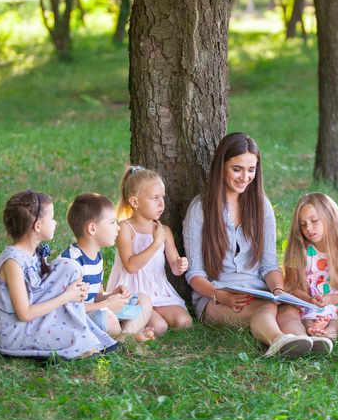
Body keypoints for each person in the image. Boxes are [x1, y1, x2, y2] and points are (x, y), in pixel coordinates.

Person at [183, 132, 314, 357]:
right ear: (221, 166)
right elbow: (194, 273)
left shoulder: (262, 206)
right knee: (266, 309)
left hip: (259, 291)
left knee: (287, 309)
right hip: (217, 295)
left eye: (251, 169)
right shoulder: (200, 209)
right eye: (237, 169)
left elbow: (269, 265)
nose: (245, 177)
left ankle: (304, 342)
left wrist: (278, 290)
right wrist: (219, 295)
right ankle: (279, 341)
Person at [0, 190, 117, 360]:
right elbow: (25, 314)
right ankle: (75, 338)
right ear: (37, 226)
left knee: (70, 266)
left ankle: (76, 333)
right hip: (17, 332)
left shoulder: (33, 253)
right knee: (83, 345)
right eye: (51, 219)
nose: (55, 222)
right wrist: (67, 296)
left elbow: (42, 291)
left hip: (35, 321)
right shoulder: (13, 263)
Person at [107, 167, 193, 335]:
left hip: (158, 291)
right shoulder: (125, 228)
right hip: (133, 292)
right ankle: (131, 328)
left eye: (162, 197)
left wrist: (180, 264)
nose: (161, 203)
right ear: (135, 202)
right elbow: (131, 266)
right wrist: (156, 243)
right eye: (154, 198)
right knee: (160, 327)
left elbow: (175, 269)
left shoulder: (164, 230)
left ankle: (147, 318)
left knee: (185, 322)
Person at [61, 193, 155, 343]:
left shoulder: (97, 258)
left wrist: (111, 295)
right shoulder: (71, 262)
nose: (118, 228)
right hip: (79, 320)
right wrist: (105, 305)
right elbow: (68, 308)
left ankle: (124, 336)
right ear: (92, 228)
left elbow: (97, 295)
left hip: (98, 310)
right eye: (112, 223)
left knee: (144, 300)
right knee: (108, 316)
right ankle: (127, 340)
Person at [282, 193, 338, 341]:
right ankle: (312, 329)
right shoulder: (298, 251)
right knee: (305, 317)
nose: (308, 228)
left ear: (330, 217)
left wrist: (331, 299)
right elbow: (292, 286)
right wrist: (309, 300)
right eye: (303, 224)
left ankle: (331, 332)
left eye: (314, 221)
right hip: (307, 302)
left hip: (336, 302)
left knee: (335, 319)